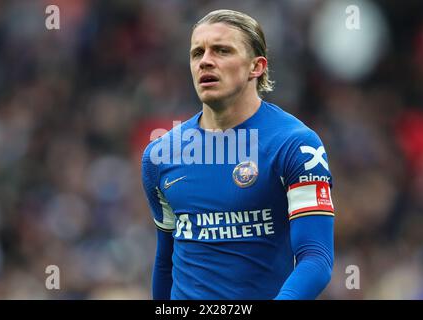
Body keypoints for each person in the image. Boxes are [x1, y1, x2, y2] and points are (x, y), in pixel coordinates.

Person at [141, 9, 335, 300]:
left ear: (256, 67)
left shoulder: (297, 146)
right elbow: (165, 261)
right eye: (197, 53)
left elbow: (316, 259)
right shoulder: (160, 156)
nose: (205, 60)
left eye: (221, 50)